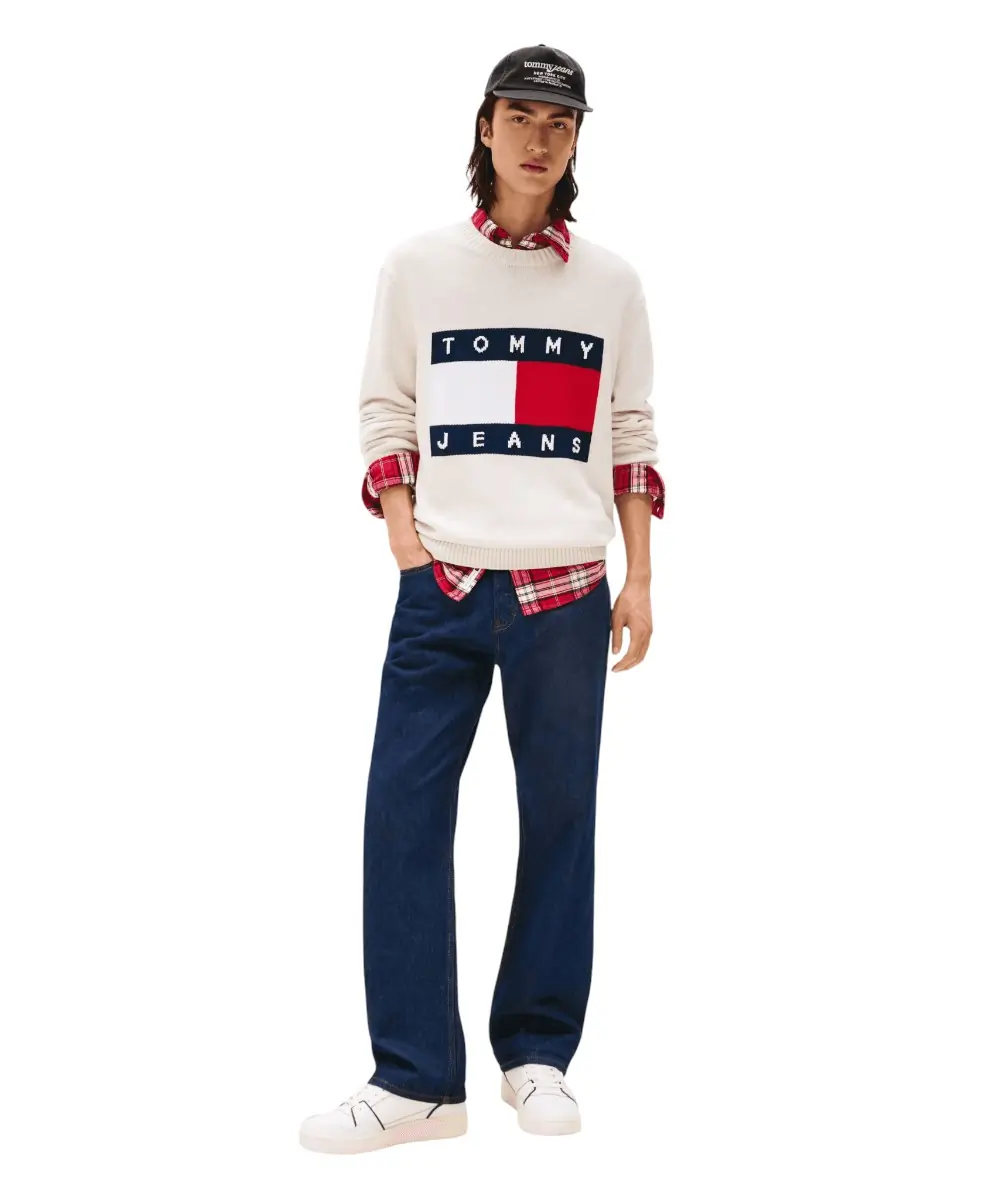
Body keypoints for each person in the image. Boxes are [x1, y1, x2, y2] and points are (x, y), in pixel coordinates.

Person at [300, 43, 665, 1155]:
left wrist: (640, 576)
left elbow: (629, 430)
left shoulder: (609, 284)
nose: (539, 139)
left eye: (560, 122)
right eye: (521, 117)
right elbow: (386, 405)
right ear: (485, 125)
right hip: (443, 584)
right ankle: (417, 1078)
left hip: (567, 586)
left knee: (560, 818)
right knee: (402, 815)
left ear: (577, 139)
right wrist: (405, 538)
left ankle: (537, 1054)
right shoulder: (418, 268)